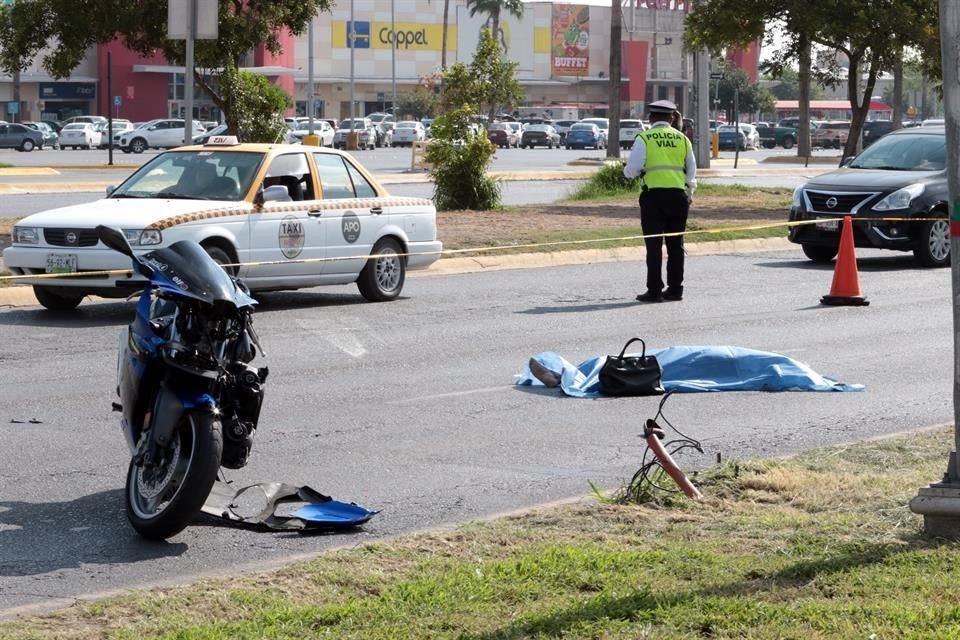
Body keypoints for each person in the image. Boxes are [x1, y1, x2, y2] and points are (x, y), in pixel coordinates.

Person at [623, 99, 697, 302]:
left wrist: (627, 172)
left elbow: (632, 170)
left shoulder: (644, 138)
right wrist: (689, 195)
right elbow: (691, 173)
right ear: (671, 118)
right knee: (676, 246)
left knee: (654, 246)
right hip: (678, 198)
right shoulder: (682, 139)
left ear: (650, 118)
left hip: (653, 197)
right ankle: (675, 289)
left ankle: (655, 290)